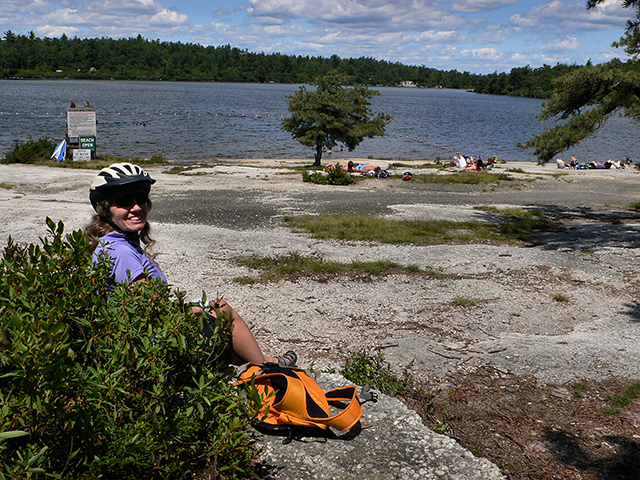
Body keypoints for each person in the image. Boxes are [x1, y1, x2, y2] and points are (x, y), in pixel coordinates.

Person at [84, 162, 296, 367]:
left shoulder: (114, 242)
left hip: (137, 337)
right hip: (147, 345)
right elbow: (151, 310)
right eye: (124, 201)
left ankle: (265, 361)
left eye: (141, 198)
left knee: (213, 318)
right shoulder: (120, 251)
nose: (137, 207)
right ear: (105, 209)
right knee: (221, 309)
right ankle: (265, 372)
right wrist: (198, 310)